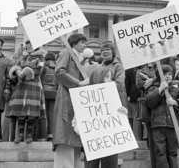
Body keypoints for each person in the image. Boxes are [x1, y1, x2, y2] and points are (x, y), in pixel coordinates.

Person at [84, 41, 126, 168]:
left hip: (111, 107)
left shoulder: (118, 66)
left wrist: (103, 88)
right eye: (102, 50)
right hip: (96, 109)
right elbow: (90, 86)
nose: (105, 52)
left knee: (110, 148)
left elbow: (119, 84)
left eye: (107, 49)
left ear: (113, 52)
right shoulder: (96, 68)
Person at [53, 33, 89, 168]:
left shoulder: (78, 58)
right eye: (82, 42)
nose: (85, 45)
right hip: (66, 97)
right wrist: (78, 83)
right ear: (74, 42)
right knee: (65, 132)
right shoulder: (65, 52)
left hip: (75, 99)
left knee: (74, 136)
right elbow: (59, 72)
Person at [145, 64, 179, 168]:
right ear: (159, 76)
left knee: (172, 153)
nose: (168, 76)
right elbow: (149, 102)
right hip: (157, 126)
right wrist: (159, 90)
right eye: (164, 74)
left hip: (173, 126)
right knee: (160, 153)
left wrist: (176, 102)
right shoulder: (153, 88)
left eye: (170, 74)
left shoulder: (177, 90)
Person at [4, 40, 46, 143]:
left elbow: (38, 70)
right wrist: (17, 71)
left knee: (32, 112)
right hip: (21, 85)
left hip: (34, 85)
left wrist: (25, 72)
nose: (29, 46)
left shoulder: (40, 57)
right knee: (20, 112)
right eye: (27, 44)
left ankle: (30, 135)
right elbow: (14, 66)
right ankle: (21, 134)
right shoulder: (21, 57)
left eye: (31, 44)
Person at [135, 63, 157, 168]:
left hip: (163, 104)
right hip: (148, 104)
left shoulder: (162, 67)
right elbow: (139, 85)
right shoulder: (141, 71)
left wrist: (152, 80)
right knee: (152, 135)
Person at [40, 51, 57, 141]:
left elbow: (40, 79)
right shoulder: (57, 68)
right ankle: (51, 134)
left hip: (44, 93)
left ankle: (42, 134)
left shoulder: (43, 67)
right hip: (54, 93)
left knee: (43, 114)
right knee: (52, 114)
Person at [125, 67, 143, 140]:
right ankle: (140, 137)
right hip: (141, 93)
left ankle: (137, 137)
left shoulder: (128, 70)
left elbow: (127, 84)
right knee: (139, 116)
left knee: (136, 117)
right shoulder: (144, 67)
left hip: (133, 94)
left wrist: (128, 95)